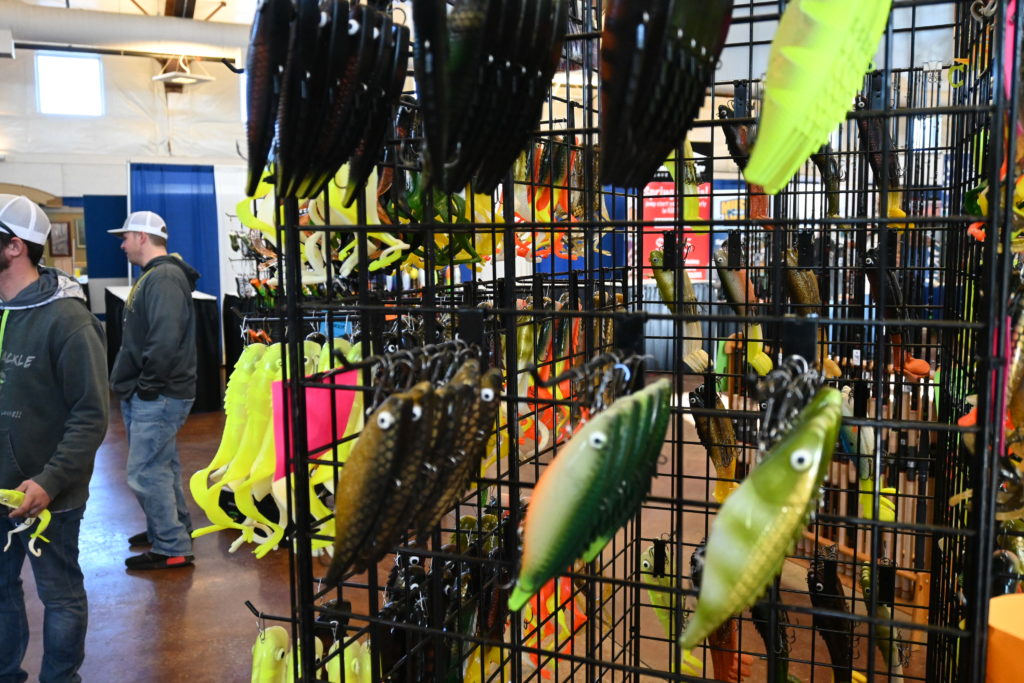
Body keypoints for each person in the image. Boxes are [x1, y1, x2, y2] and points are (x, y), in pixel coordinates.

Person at [0, 194, 109, 682]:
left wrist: (50, 480)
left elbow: (91, 415)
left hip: (49, 494)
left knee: (59, 594)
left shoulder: (69, 320)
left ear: (14, 247)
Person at [108, 210, 199, 570]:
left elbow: (164, 340)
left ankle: (171, 546)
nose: (122, 244)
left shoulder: (163, 278)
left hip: (159, 394)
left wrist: (147, 388)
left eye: (126, 237)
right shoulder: (157, 276)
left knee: (145, 471)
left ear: (142, 237)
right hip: (156, 392)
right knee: (161, 466)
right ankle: (173, 528)